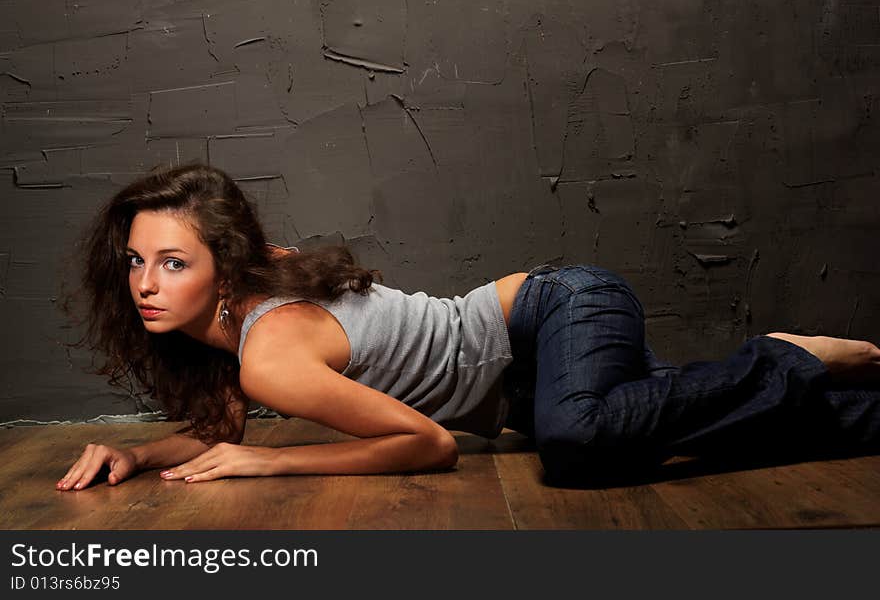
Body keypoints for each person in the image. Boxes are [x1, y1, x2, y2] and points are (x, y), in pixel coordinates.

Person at [56, 163, 880, 491]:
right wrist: (136, 454)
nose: (145, 285)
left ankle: (779, 356)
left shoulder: (269, 350)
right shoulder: (233, 333)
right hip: (519, 380)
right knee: (694, 432)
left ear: (224, 268)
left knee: (579, 444)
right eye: (135, 261)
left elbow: (432, 445)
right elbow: (217, 430)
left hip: (555, 309)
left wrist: (272, 470)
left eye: (172, 262)